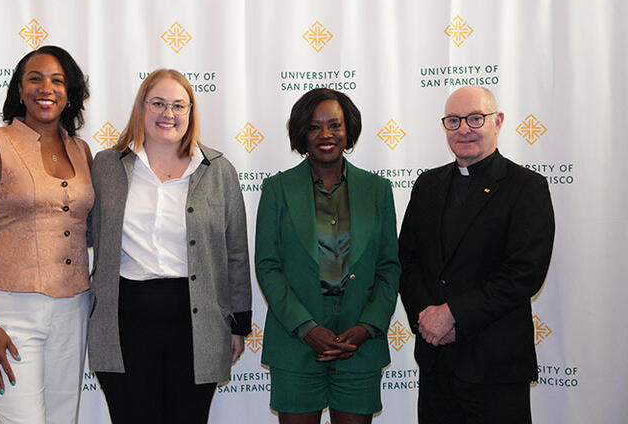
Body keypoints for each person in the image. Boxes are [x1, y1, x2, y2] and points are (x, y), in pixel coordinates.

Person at [87, 68, 252, 423]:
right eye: (158, 103)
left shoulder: (218, 170)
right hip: (125, 321)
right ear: (141, 108)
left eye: (179, 105)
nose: (169, 114)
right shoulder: (106, 166)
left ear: (191, 112)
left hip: (196, 324)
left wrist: (239, 325)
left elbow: (236, 253)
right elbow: (81, 230)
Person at [398, 85, 555, 424]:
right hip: (436, 362)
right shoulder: (428, 185)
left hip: (495, 366)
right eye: (453, 120)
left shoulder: (526, 187)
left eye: (474, 118)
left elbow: (524, 272)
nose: (463, 129)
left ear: (497, 122)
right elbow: (407, 260)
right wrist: (427, 318)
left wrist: (453, 314)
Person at [0, 46, 93, 423]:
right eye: (34, 78)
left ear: (70, 93)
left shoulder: (81, 150)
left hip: (74, 309)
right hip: (10, 313)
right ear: (19, 89)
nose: (45, 88)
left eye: (57, 80)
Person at [255, 88, 400, 424]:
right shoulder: (277, 190)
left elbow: (389, 268)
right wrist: (306, 328)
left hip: (359, 343)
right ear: (301, 134)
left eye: (334, 125)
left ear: (348, 131)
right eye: (314, 127)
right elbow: (268, 266)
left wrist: (367, 327)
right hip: (295, 340)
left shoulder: (378, 191)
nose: (325, 135)